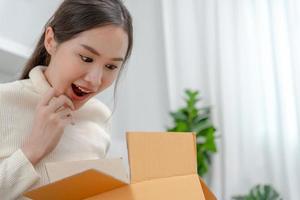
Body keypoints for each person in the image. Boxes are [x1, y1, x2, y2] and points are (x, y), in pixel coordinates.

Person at [0, 0, 133, 199]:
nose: (94, 80)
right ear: (51, 41)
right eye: (86, 58)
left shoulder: (100, 116)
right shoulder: (5, 101)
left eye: (111, 67)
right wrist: (33, 150)